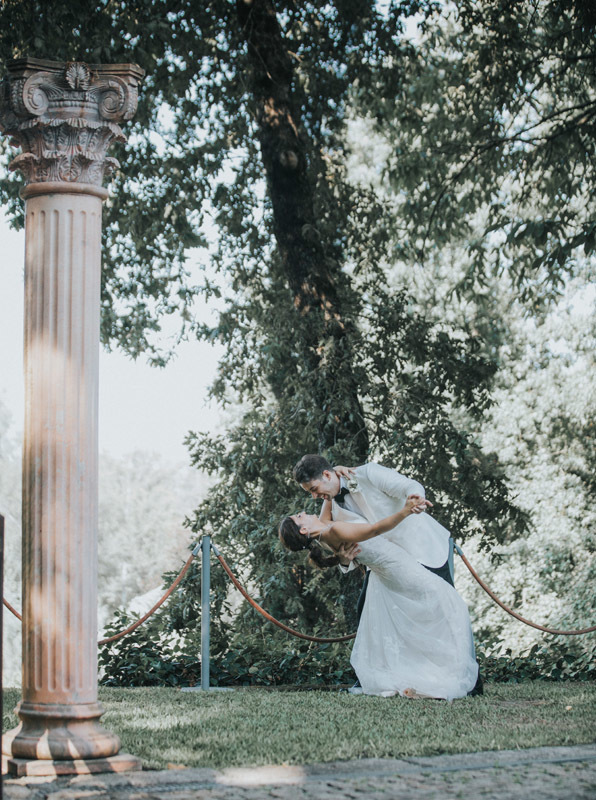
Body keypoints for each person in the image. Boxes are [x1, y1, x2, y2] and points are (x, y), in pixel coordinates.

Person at [279, 496, 479, 699]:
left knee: (419, 617)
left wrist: (330, 488)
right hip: (398, 567)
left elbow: (327, 503)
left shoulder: (324, 536)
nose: (303, 512)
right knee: (449, 605)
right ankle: (446, 674)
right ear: (303, 530)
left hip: (385, 575)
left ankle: (424, 672)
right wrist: (405, 511)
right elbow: (375, 530)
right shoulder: (333, 530)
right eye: (299, 517)